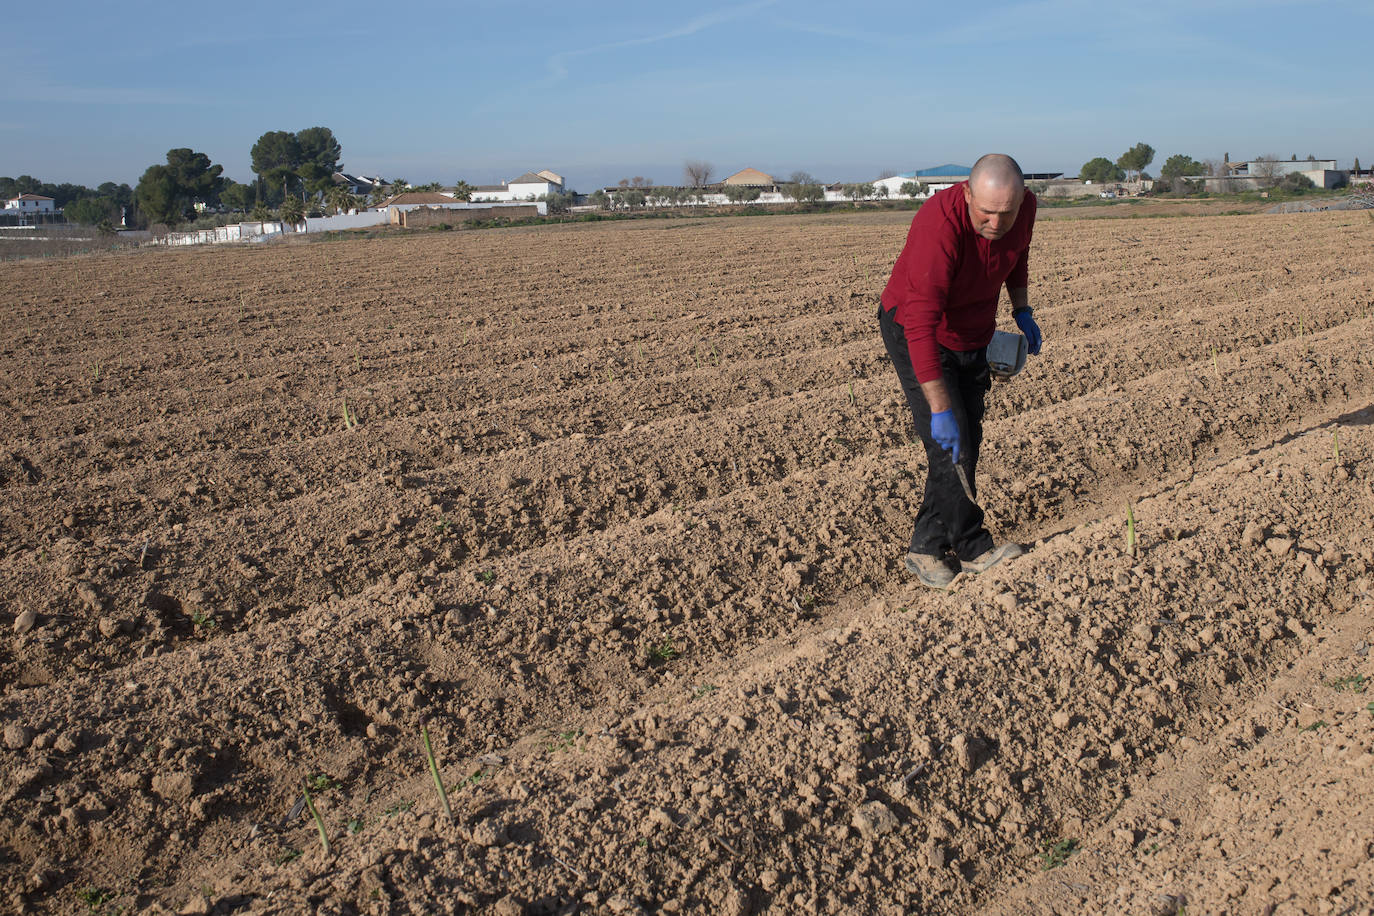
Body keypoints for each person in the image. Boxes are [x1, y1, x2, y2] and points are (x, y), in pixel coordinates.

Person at [877, 153, 1043, 589]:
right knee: (950, 444)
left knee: (969, 440)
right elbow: (919, 324)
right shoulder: (939, 226)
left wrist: (1021, 309)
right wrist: (939, 408)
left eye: (1005, 213)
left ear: (1022, 199)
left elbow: (1016, 253)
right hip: (918, 330)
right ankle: (972, 546)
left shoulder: (1023, 211)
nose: (995, 222)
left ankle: (926, 545)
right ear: (967, 193)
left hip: (973, 332)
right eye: (986, 212)